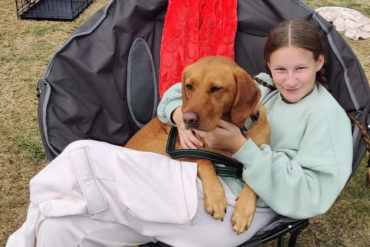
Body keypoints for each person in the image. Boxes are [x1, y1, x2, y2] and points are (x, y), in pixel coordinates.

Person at [6, 20, 352, 247]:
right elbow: (181, 95)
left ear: (320, 63)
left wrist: (241, 149)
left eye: (301, 69)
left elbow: (311, 196)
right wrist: (177, 114)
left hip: (234, 209)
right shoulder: (264, 88)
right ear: (268, 68)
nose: (289, 79)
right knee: (62, 230)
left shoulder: (327, 117)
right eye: (280, 69)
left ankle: (24, 230)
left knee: (83, 155)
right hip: (193, 185)